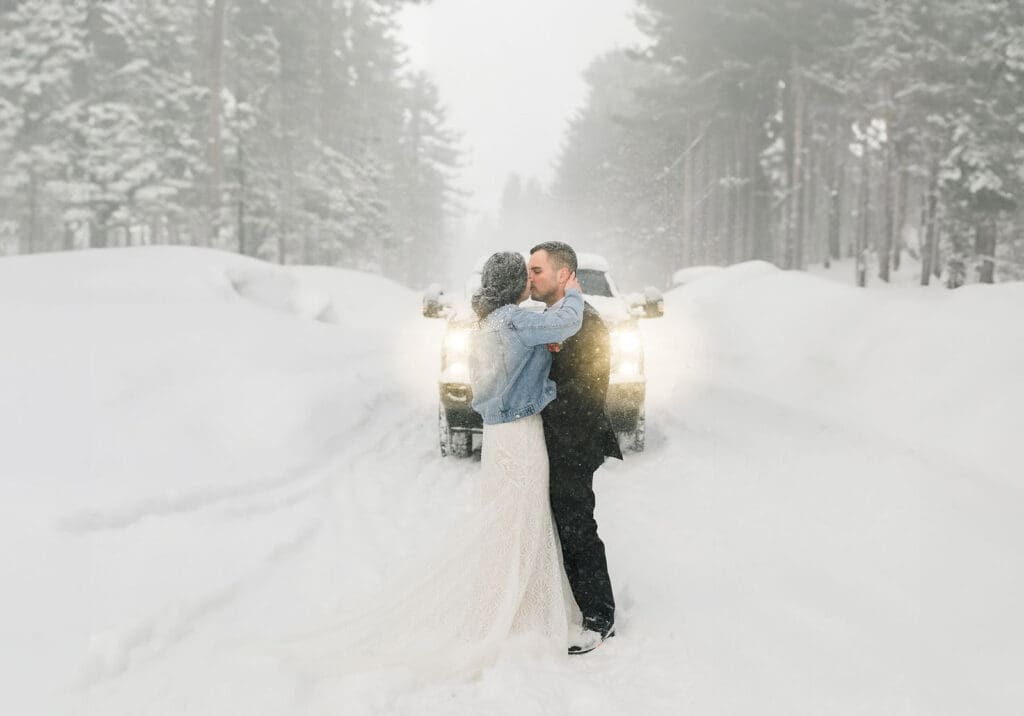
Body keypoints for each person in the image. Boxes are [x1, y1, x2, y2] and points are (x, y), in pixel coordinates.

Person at [528, 241, 622, 655]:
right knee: (562, 524)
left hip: (573, 441)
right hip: (554, 441)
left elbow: (587, 390)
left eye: (537, 271)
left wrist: (542, 418)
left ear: (564, 275)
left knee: (577, 526)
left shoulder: (585, 322)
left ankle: (600, 617)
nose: (530, 278)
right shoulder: (555, 317)